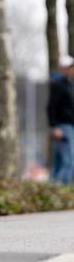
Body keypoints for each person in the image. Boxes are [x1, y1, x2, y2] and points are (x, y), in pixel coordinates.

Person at [47, 55, 74, 185]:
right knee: (68, 161)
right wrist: (55, 126)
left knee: (58, 160)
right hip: (63, 127)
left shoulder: (68, 84)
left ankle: (51, 189)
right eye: (71, 67)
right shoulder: (59, 84)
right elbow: (51, 107)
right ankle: (64, 190)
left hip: (68, 126)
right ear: (65, 68)